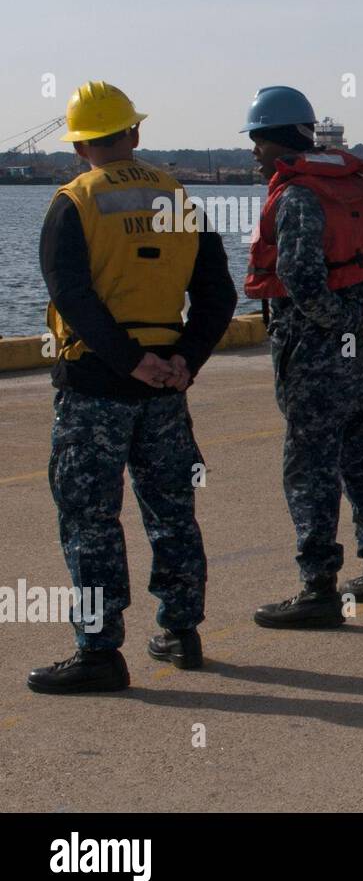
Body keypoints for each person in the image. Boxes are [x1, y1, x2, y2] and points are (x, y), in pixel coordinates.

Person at [29, 81, 237, 692]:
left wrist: (126, 359)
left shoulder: (75, 200)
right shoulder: (179, 197)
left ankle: (99, 652)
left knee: (90, 518)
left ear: (78, 147)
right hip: (165, 389)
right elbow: (219, 294)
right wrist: (183, 361)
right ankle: (181, 632)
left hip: (97, 383)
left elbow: (71, 293)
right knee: (172, 510)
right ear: (135, 134)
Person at [241, 86, 363, 628]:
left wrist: (349, 321)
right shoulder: (349, 192)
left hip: (312, 352)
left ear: (274, 141)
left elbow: (302, 281)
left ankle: (318, 588)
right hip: (356, 354)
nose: (254, 155)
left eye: (256, 144)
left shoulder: (296, 197)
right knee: (360, 453)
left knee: (309, 465)